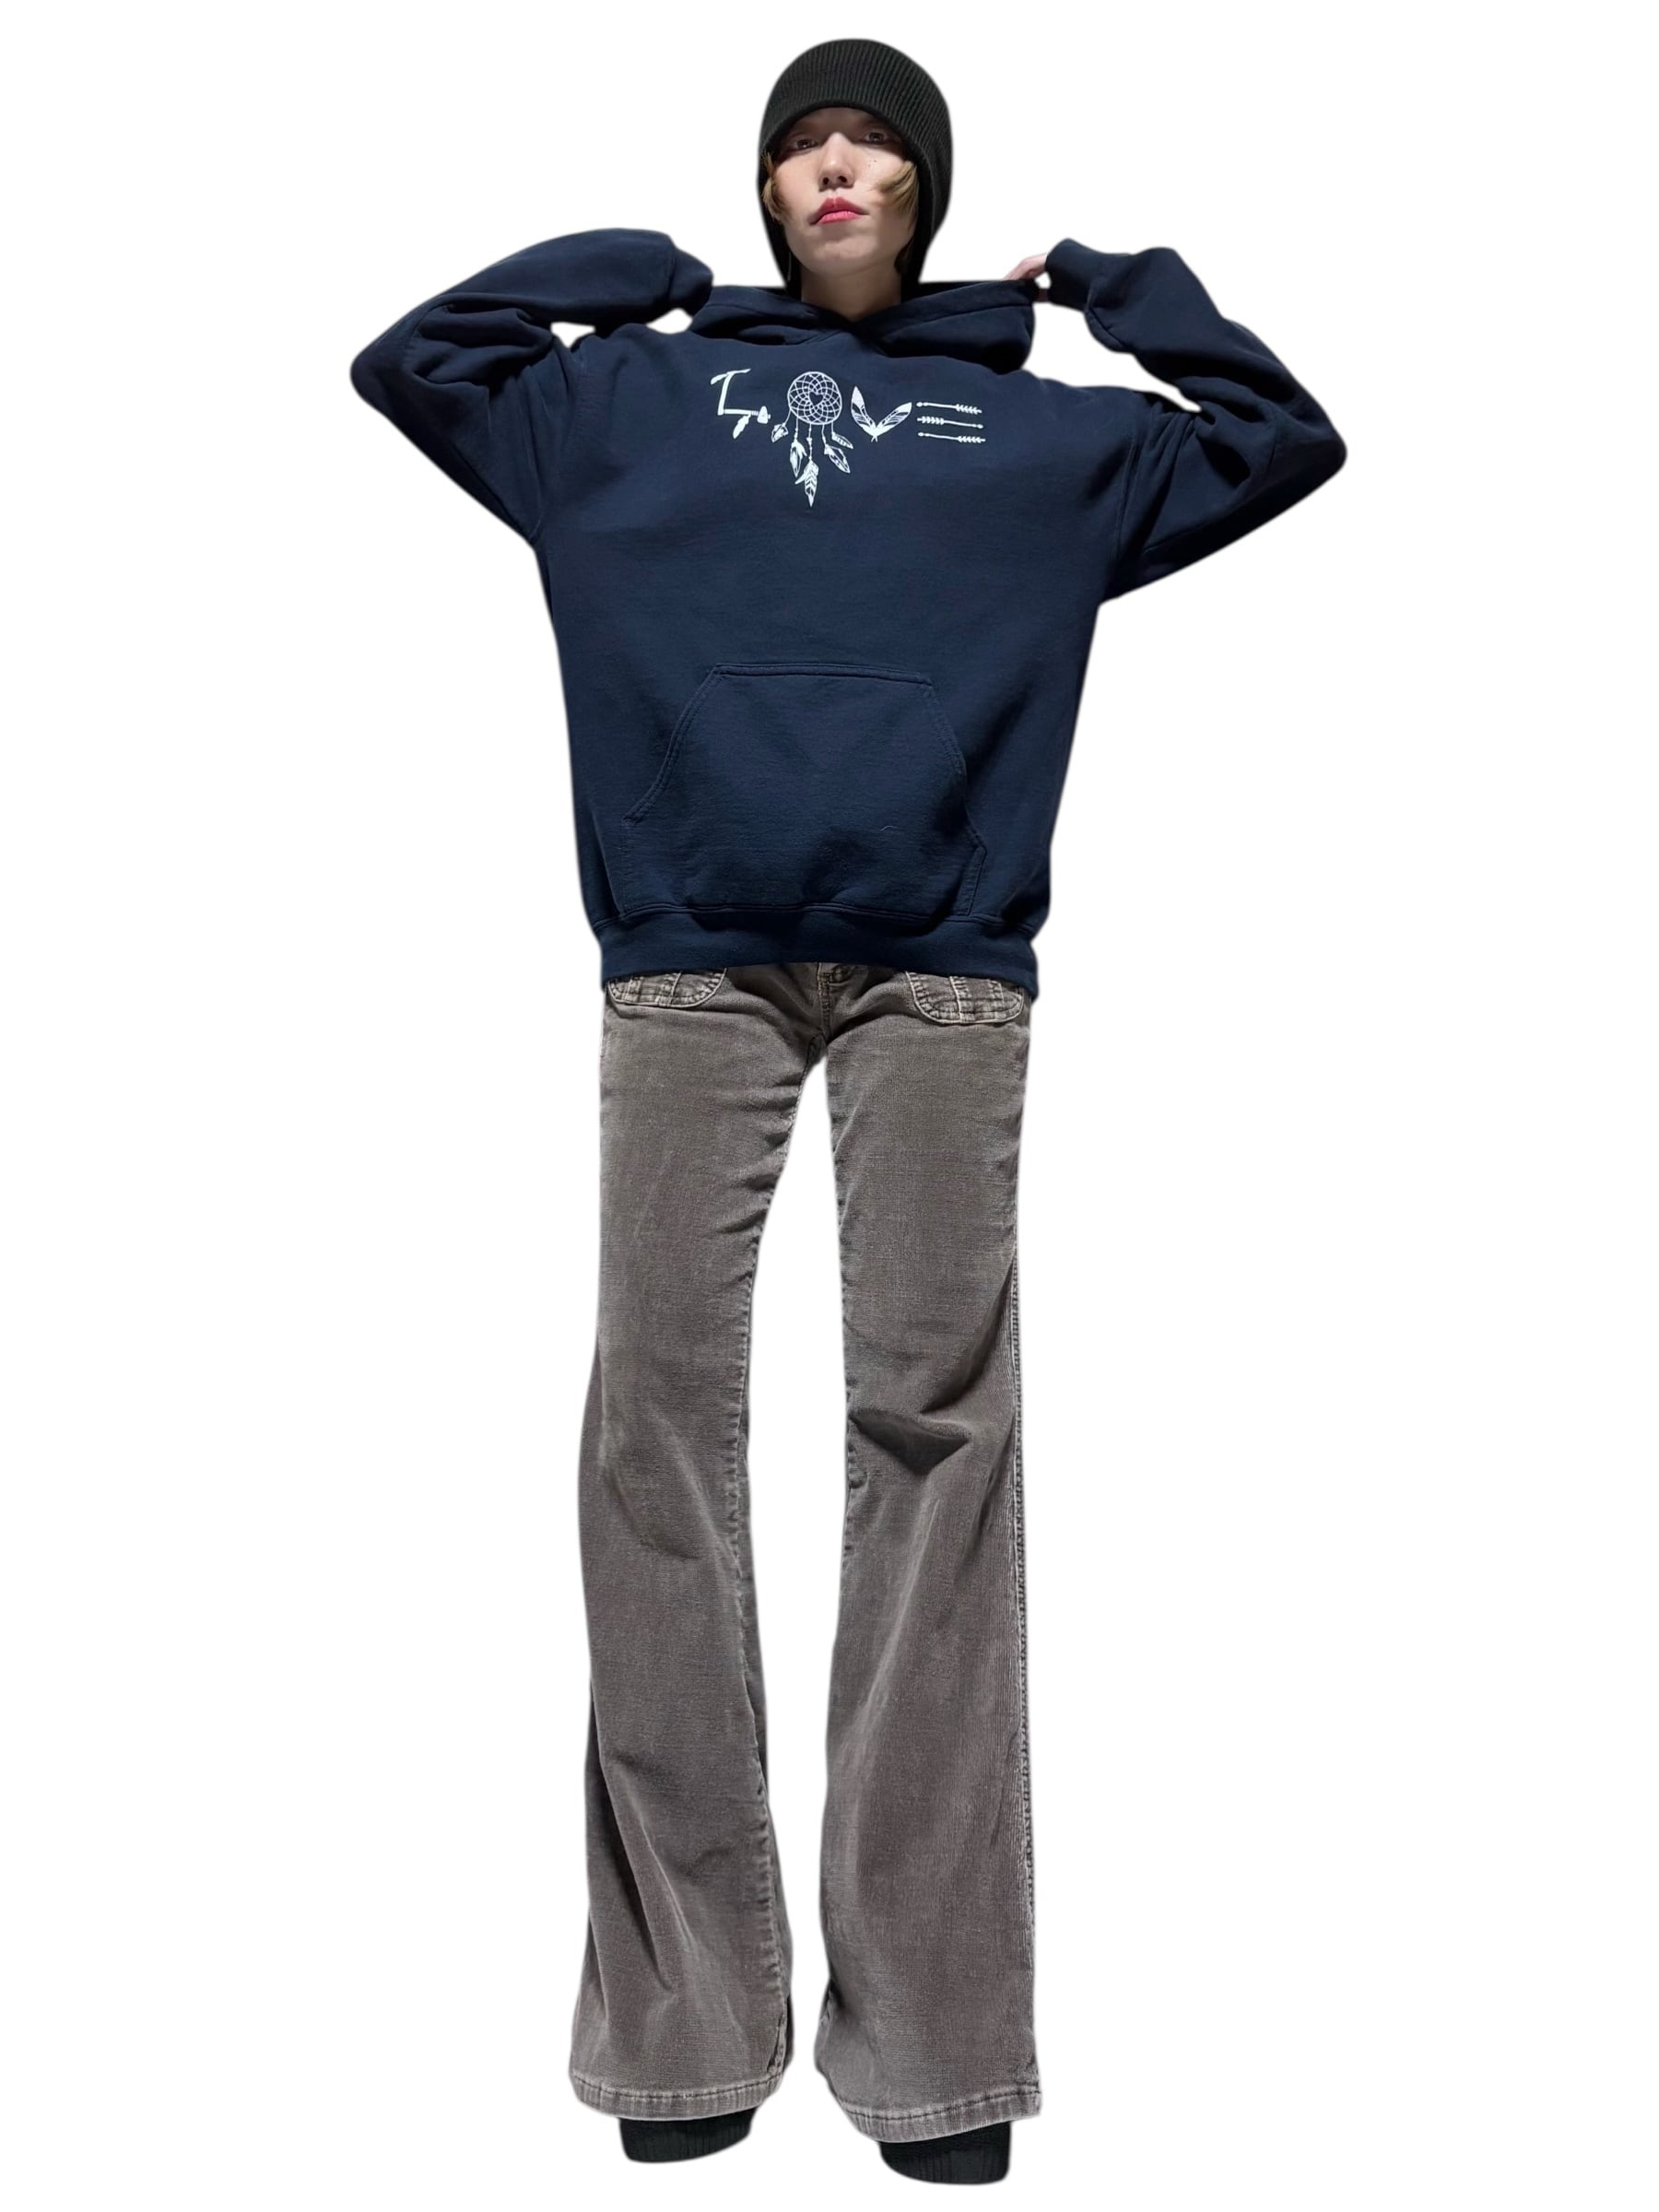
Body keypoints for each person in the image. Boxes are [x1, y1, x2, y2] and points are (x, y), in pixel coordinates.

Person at [348, 35, 1347, 2184]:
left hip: (942, 968)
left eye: (876, 142)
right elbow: (412, 365)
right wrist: (626, 272)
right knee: (653, 1444)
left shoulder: (1039, 436)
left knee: (937, 1442)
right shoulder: (626, 402)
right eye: (802, 140)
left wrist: (1112, 287)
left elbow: (1283, 437)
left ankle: (934, 2058)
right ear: (765, 186)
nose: (834, 165)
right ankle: (684, 2030)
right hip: (685, 955)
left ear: (924, 191)